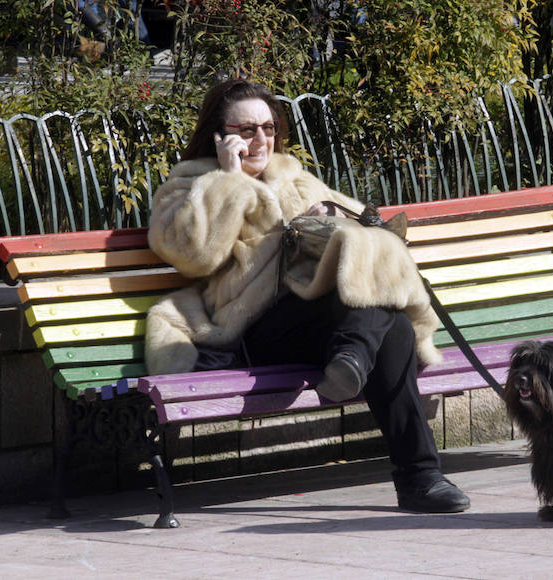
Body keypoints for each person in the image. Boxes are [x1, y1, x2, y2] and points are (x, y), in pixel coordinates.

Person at [145, 79, 470, 513]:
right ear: (219, 136)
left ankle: (413, 463)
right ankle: (416, 469)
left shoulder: (295, 178)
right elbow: (193, 257)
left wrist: (330, 218)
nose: (261, 139)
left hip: (321, 324)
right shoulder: (189, 186)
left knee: (390, 322)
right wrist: (228, 180)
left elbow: (365, 232)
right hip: (252, 329)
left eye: (269, 127)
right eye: (246, 129)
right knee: (383, 320)